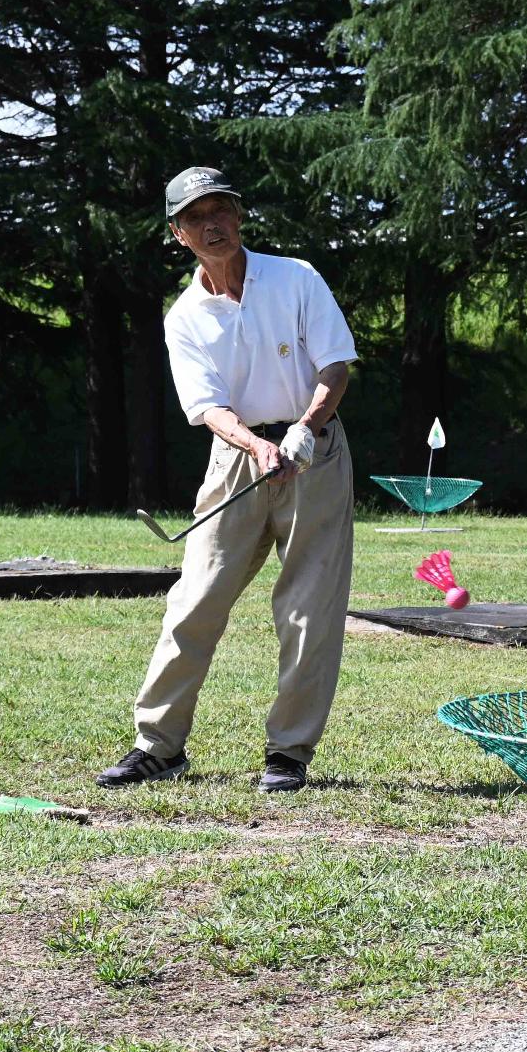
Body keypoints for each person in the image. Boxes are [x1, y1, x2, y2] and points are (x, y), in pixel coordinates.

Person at [97, 166, 357, 794]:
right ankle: (157, 745)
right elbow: (208, 408)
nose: (211, 224)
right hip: (236, 454)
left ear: (239, 217)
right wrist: (256, 446)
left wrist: (302, 429)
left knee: (307, 610)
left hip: (313, 448)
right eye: (195, 216)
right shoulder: (183, 316)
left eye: (221, 209)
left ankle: (289, 753)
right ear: (177, 233)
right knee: (195, 601)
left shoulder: (296, 277)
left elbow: (336, 365)